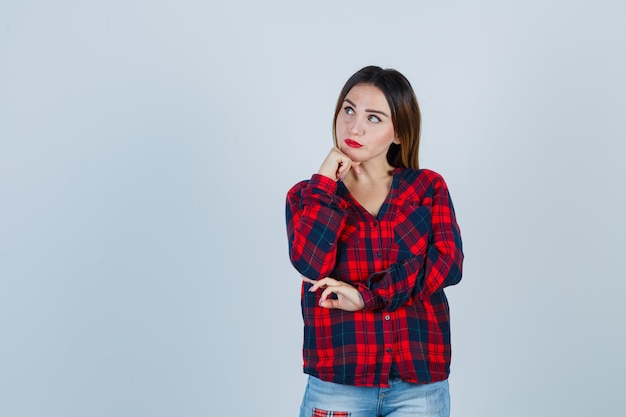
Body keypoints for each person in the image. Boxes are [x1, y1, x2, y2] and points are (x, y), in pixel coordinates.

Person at [285, 65, 463, 417]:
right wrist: (325, 184)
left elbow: (448, 265)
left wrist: (367, 297)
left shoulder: (427, 188)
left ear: (399, 132)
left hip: (418, 385)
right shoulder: (306, 196)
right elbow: (310, 264)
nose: (355, 126)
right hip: (339, 382)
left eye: (374, 118)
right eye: (348, 110)